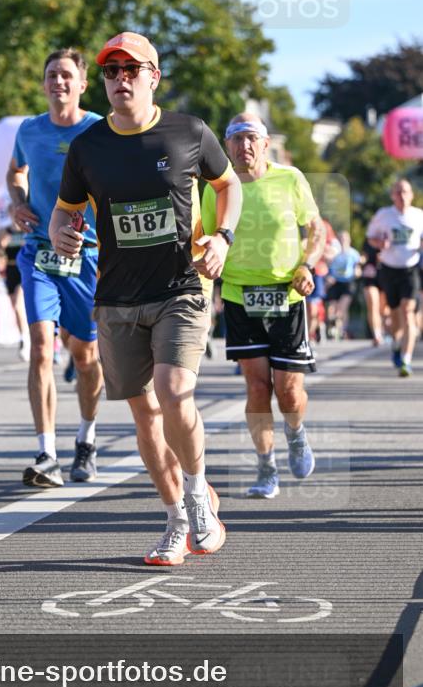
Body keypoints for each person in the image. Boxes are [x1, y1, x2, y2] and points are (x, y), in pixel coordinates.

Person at [50, 32, 242, 565]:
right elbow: (64, 210)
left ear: (154, 76)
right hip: (116, 297)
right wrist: (61, 232)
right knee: (145, 415)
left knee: (173, 390)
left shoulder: (188, 132)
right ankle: (175, 518)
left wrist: (222, 238)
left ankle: (198, 495)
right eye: (111, 71)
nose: (120, 79)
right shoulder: (88, 146)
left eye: (131, 69)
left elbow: (229, 185)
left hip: (181, 287)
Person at [201, 112, 326, 500]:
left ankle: (296, 433)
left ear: (266, 143)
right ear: (227, 146)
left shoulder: (290, 178)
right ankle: (266, 467)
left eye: (251, 137)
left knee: (288, 392)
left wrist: (307, 265)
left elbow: (316, 228)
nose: (245, 145)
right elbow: (206, 239)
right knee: (257, 387)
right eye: (236, 138)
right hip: (240, 295)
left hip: (287, 295)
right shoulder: (217, 187)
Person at [6, 48, 104, 487]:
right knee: (42, 347)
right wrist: (18, 202)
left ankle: (86, 438)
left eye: (66, 75)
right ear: (44, 83)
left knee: (85, 356)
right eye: (51, 75)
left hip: (88, 254)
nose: (58, 82)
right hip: (40, 251)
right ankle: (46, 452)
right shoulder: (29, 129)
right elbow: (15, 171)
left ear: (82, 84)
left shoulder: (99, 129)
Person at [367, 179, 423, 377]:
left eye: (405, 192)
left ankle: (406, 360)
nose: (402, 196)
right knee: (395, 315)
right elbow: (370, 237)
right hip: (389, 270)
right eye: (398, 192)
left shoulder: (419, 215)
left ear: (412, 195)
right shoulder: (383, 215)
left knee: (408, 312)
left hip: (410, 270)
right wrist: (379, 243)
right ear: (392, 196)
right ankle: (397, 345)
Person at [0, 214, 30, 361]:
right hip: (10, 271)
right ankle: (25, 334)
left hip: (23, 270)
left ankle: (25, 340)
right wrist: (1, 245)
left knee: (18, 305)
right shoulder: (5, 231)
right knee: (16, 309)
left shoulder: (27, 230)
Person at [325, 230, 361, 339]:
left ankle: (342, 330)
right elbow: (328, 267)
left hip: (348, 283)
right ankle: (333, 329)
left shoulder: (354, 253)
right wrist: (328, 277)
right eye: (341, 239)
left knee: (342, 308)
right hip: (335, 282)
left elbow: (358, 269)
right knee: (331, 309)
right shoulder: (334, 253)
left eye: (345, 239)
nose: (343, 241)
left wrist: (357, 272)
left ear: (349, 240)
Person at [360, 239, 387, 345]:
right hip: (370, 276)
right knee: (372, 304)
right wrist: (360, 262)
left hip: (386, 275)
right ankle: (377, 334)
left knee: (384, 310)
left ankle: (384, 330)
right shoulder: (368, 239)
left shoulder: (390, 236)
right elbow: (364, 255)